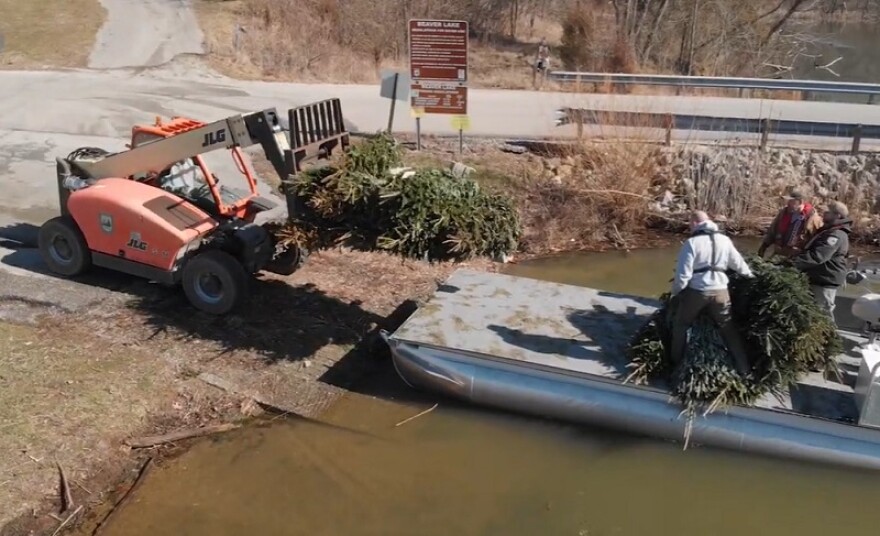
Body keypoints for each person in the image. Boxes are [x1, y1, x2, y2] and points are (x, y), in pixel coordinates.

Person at [670, 211, 754, 375]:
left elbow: (683, 276)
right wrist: (751, 276)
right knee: (728, 329)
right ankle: (744, 369)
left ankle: (674, 364)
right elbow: (739, 264)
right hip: (721, 292)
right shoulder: (725, 240)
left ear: (694, 223)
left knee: (681, 325)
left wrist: (675, 293)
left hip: (698, 292)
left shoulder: (692, 243)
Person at [790, 201, 852, 322]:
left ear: (838, 215)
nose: (824, 213)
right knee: (813, 313)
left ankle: (830, 339)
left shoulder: (836, 234)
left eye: (828, 212)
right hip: (818, 277)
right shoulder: (827, 231)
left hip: (825, 280)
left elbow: (818, 256)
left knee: (823, 316)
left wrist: (792, 264)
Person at [757, 187, 823, 259]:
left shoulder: (813, 218)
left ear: (800, 202)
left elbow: (818, 241)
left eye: (791, 201)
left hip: (797, 257)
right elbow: (773, 230)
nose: (788, 203)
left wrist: (806, 256)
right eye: (788, 201)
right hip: (780, 252)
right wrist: (764, 246)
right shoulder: (784, 213)